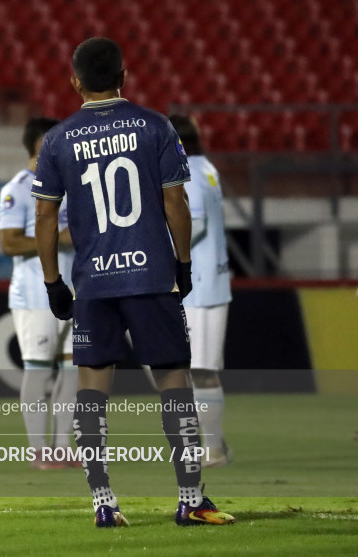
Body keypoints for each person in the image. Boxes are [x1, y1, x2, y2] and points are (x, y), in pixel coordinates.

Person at [33, 37, 235, 527]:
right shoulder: (155, 126)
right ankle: (190, 498)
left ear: (75, 81)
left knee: (91, 390)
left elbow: (44, 214)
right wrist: (183, 263)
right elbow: (175, 204)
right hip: (149, 275)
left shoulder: (58, 139)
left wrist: (52, 281)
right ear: (124, 77)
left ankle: (104, 501)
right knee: (173, 384)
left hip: (94, 283)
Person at [0, 117, 79, 469]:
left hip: (75, 288)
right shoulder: (16, 189)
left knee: (73, 369)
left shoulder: (70, 185)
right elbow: (9, 242)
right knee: (39, 369)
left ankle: (63, 446)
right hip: (34, 293)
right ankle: (38, 450)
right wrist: (54, 238)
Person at [169, 115, 233, 468]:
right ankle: (210, 442)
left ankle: (213, 449)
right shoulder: (205, 167)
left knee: (202, 370)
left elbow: (196, 224)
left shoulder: (189, 174)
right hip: (210, 281)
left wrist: (163, 257)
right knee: (196, 369)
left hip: (202, 286)